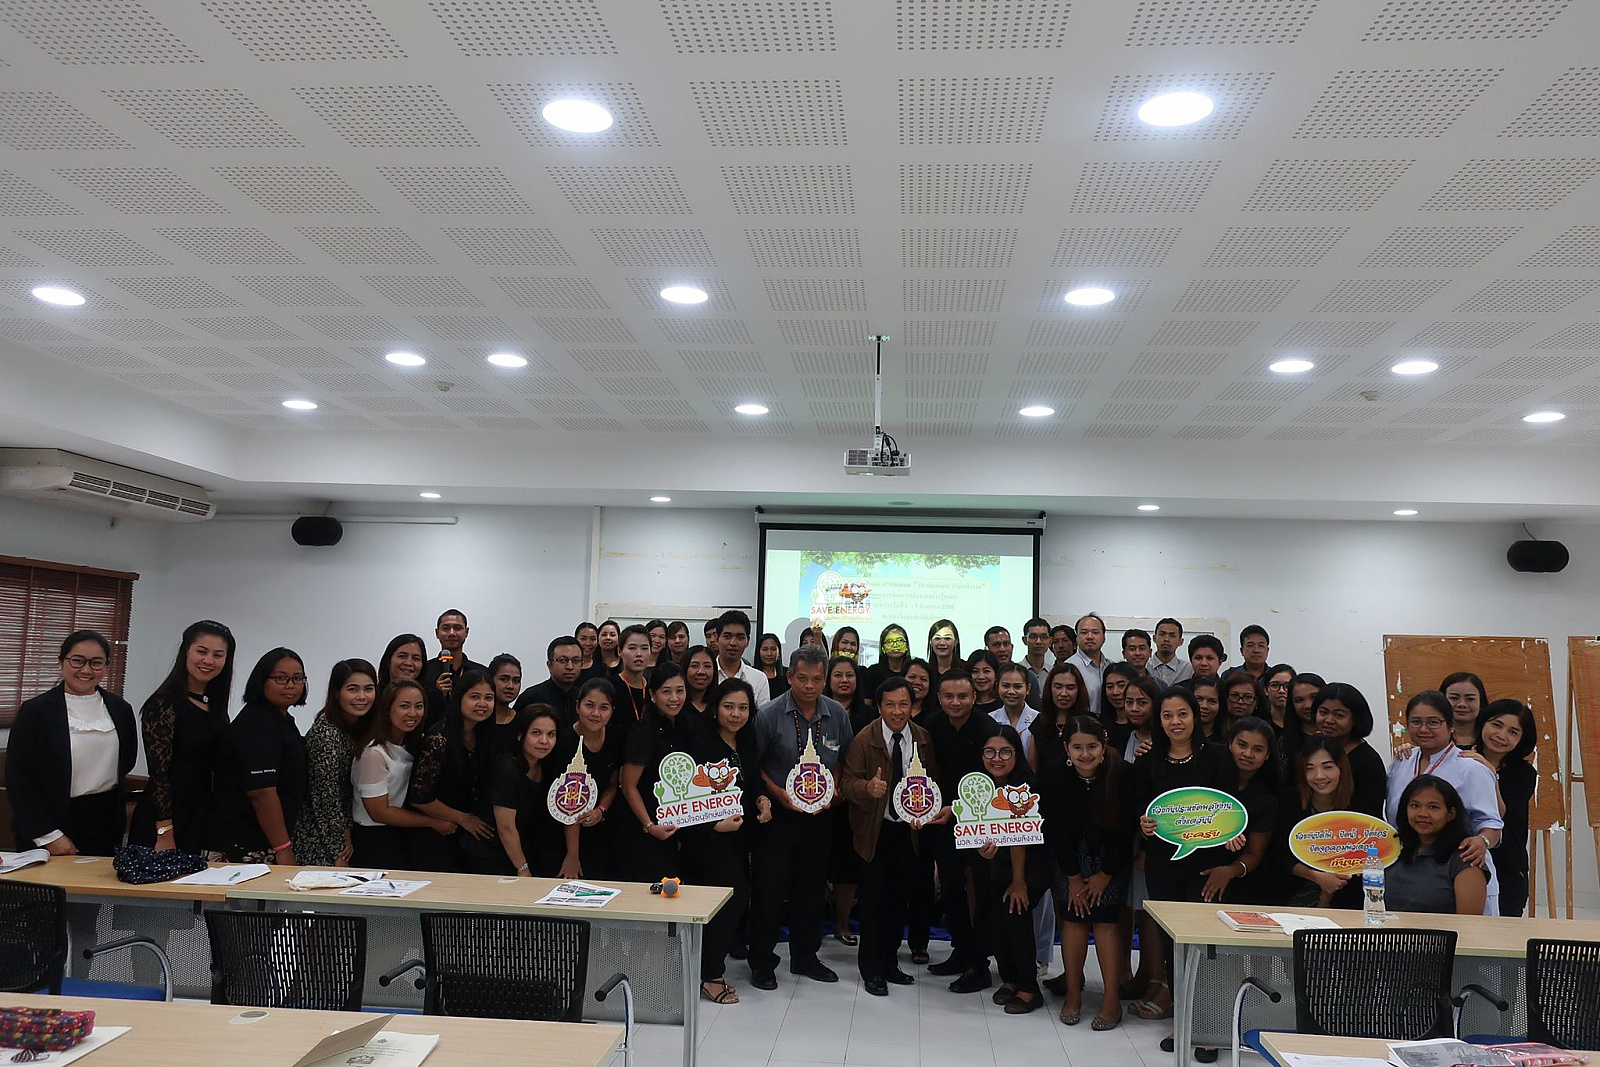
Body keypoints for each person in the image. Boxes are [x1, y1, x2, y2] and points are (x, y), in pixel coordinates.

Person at [748, 646, 854, 989]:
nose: (810, 686)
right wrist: (779, 795)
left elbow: (843, 760)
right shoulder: (768, 714)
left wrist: (831, 791)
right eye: (803, 678)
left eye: (817, 679)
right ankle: (762, 961)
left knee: (811, 889)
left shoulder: (836, 714)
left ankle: (806, 957)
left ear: (825, 679)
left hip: (820, 817)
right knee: (769, 890)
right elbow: (754, 765)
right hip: (778, 816)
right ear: (789, 676)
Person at [1131, 688, 1230, 1025]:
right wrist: (1143, 823)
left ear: (1195, 716)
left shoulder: (1218, 756)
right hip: (1163, 864)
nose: (1176, 721)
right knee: (1172, 941)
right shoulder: (1148, 759)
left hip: (1207, 865)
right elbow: (1140, 805)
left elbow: (1231, 806)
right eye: (1167, 715)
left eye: (1182, 713)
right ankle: (1184, 1021)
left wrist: (1234, 832)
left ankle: (1209, 1021)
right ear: (1159, 721)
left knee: (1205, 942)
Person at [839, 677, 942, 997]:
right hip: (875, 832)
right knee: (873, 904)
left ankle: (890, 963)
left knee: (898, 903)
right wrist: (867, 788)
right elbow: (846, 785)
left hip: (910, 833)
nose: (897, 711)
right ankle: (872, 970)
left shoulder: (923, 738)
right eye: (890, 705)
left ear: (912, 706)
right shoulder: (864, 739)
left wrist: (925, 813)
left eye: (903, 704)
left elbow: (933, 784)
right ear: (880, 707)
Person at [6, 630, 137, 857]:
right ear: (61, 662)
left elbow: (127, 760)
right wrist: (49, 835)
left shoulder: (120, 709)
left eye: (96, 663)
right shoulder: (35, 711)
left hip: (105, 820)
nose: (86, 670)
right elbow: (19, 779)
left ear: (106, 666)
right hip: (50, 822)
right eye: (77, 660)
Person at [682, 678, 772, 1005]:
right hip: (707, 841)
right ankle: (710, 975)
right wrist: (713, 825)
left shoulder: (746, 741)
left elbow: (753, 781)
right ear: (716, 708)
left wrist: (762, 799)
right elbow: (685, 801)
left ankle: (707, 968)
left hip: (740, 838)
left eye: (743, 708)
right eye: (729, 707)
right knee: (731, 900)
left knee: (734, 901)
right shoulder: (700, 744)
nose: (736, 714)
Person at [1042, 715, 1134, 1030]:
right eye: (1077, 748)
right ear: (1066, 748)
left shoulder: (1123, 773)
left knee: (1106, 923)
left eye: (1092, 747)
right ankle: (1073, 995)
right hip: (1069, 858)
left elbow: (1126, 831)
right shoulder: (1053, 773)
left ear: (1103, 745)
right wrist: (1073, 877)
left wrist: (1105, 874)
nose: (1085, 754)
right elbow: (1055, 829)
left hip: (1111, 859)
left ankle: (1111, 1000)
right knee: (1073, 920)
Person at [1385, 690, 1503, 915]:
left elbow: (1493, 825)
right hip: (1408, 869)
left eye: (1433, 722)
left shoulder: (1472, 768)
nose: (1424, 729)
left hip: (1459, 869)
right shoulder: (1401, 762)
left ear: (1451, 726)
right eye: (1416, 722)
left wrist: (1482, 841)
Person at [924, 670, 999, 993]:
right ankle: (960, 950)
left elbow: (994, 779)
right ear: (939, 698)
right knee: (951, 887)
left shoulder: (988, 729)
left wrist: (957, 808)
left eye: (963, 696)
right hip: (941, 821)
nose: (956, 702)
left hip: (979, 821)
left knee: (980, 891)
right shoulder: (931, 725)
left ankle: (978, 963)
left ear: (975, 697)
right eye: (949, 696)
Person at [130, 620, 234, 852]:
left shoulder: (215, 706)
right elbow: (159, 775)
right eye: (201, 651)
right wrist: (165, 831)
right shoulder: (163, 705)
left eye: (218, 655)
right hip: (167, 821)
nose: (209, 661)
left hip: (202, 815)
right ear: (185, 651)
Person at [211, 648, 309, 864]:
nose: (291, 685)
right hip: (249, 845)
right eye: (281, 678)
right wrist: (283, 849)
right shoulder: (257, 723)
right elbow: (262, 793)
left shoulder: (281, 719)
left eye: (297, 678)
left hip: (269, 840)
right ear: (261, 680)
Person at [977, 726, 1049, 1016]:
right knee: (995, 919)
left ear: (1017, 754)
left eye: (1005, 752)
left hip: (1032, 865)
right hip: (1000, 863)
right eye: (990, 752)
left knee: (1015, 913)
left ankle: (1030, 988)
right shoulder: (979, 787)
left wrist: (1019, 881)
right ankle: (1009, 978)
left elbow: (1021, 839)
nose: (997, 758)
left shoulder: (1029, 788)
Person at [409, 669, 505, 873]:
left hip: (464, 834)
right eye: (475, 697)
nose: (482, 703)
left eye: (488, 698)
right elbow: (419, 797)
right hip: (436, 834)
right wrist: (463, 818)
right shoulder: (438, 738)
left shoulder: (483, 734)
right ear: (458, 697)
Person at [351, 679, 452, 868]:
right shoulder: (373, 754)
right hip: (375, 840)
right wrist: (432, 821)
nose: (413, 713)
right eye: (404, 706)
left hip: (404, 835)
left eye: (419, 706)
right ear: (387, 710)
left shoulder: (415, 743)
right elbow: (379, 813)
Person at [617, 663, 700, 881]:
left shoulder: (684, 726)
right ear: (653, 695)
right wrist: (649, 825)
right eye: (666, 692)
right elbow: (628, 786)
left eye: (680, 691)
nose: (674, 698)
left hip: (674, 825)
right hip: (643, 828)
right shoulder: (643, 731)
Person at [295, 658, 377, 867]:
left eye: (368, 689)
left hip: (342, 830)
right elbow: (326, 797)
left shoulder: (356, 727)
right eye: (352, 689)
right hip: (319, 838)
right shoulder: (326, 734)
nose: (362, 697)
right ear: (336, 693)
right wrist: (339, 848)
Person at [1272, 737, 1362, 909]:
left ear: (1341, 767)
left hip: (1345, 899)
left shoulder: (1358, 808)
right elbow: (1281, 854)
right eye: (1309, 768)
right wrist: (1318, 877)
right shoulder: (1289, 801)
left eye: (1328, 767)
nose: (1319, 776)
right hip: (1293, 894)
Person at [1384, 775, 1489, 915]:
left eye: (1433, 807)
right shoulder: (1392, 850)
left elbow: (1470, 923)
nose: (1422, 814)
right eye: (1415, 806)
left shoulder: (1465, 857)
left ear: (1451, 814)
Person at [555, 679, 625, 878]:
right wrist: (572, 855)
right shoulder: (564, 743)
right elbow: (567, 806)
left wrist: (600, 811)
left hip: (599, 829)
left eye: (604, 707)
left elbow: (612, 784)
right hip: (564, 831)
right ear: (578, 706)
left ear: (612, 711)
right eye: (589, 705)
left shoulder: (615, 737)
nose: (596, 713)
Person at [1475, 699, 1537, 918]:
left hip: (1507, 868)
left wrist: (1489, 772)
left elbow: (1501, 814)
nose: (1501, 735)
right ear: (1483, 722)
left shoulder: (1524, 773)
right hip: (1465, 862)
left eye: (1513, 732)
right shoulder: (1461, 757)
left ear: (1522, 739)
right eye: (1497, 724)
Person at [490, 705, 565, 878]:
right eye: (536, 733)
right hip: (495, 854)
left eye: (551, 734)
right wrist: (522, 868)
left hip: (528, 851)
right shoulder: (506, 768)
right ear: (520, 735)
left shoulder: (547, 765)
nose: (544, 741)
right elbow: (506, 829)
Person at [825, 653, 867, 945]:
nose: (843, 680)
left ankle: (842, 924)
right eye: (837, 675)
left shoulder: (868, 715)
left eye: (849, 675)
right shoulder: (818, 710)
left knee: (846, 868)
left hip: (853, 802)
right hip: (816, 799)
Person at [1312, 683, 1387, 817]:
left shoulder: (1369, 762)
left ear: (1355, 719)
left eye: (1339, 715)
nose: (1329, 720)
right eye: (1323, 712)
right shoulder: (1313, 749)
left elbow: (1370, 815)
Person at [421, 609, 483, 726]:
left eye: (457, 628)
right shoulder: (424, 670)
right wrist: (437, 694)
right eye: (446, 628)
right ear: (437, 633)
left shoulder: (480, 673)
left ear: (466, 632)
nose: (451, 633)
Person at [1029, 660, 1090, 771]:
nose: (1063, 694)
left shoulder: (1090, 722)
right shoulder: (1040, 722)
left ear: (1079, 690)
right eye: (1058, 687)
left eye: (1070, 688)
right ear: (1050, 689)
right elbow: (1033, 769)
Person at [513, 636, 583, 724]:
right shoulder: (531, 698)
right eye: (562, 660)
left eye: (575, 661)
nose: (570, 666)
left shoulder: (583, 698)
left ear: (582, 664)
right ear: (550, 665)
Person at [713, 610, 770, 706]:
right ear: (717, 638)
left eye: (740, 638)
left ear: (748, 641)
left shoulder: (759, 678)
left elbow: (762, 714)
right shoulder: (705, 675)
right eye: (727, 637)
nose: (733, 643)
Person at [991, 663, 1038, 761]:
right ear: (997, 687)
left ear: (1028, 689)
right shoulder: (990, 719)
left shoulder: (1038, 719)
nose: (1011, 691)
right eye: (1006, 686)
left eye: (1017, 687)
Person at [610, 625, 654, 728]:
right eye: (632, 648)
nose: (639, 654)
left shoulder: (654, 688)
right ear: (619, 651)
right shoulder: (609, 687)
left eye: (644, 648)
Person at [482, 653, 524, 759]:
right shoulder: (477, 717)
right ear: (490, 680)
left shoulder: (522, 722)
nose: (510, 686)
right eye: (504, 679)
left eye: (516, 681)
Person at [1069, 614, 1111, 717]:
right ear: (1077, 638)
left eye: (1095, 632)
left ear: (1104, 638)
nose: (1089, 637)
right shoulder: (1069, 668)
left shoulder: (1111, 666)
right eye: (1084, 633)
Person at [860, 624, 911, 701]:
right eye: (889, 642)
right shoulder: (873, 672)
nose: (895, 645)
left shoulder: (913, 672)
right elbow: (867, 703)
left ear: (907, 646)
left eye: (900, 641)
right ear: (883, 648)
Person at [1099, 662, 1141, 751]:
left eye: (1121, 686)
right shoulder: (1100, 726)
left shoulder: (1144, 727)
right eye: (1109, 687)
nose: (1115, 692)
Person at [1442, 671, 1489, 750]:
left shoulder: (1492, 740)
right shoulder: (1431, 737)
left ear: (1481, 702)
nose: (1462, 704)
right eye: (1454, 698)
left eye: (1470, 699)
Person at [1149, 619, 1192, 687]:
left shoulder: (1188, 669)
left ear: (1180, 641)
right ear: (1154, 638)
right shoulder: (1145, 666)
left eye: (1172, 636)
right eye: (1162, 634)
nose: (1166, 639)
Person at [1019, 617, 1053, 698]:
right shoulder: (1016, 671)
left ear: (1050, 641)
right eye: (1033, 636)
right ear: (1025, 640)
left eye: (1043, 637)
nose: (1038, 641)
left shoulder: (1053, 672)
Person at [927, 619, 962, 690]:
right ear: (930, 642)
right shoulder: (925, 671)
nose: (942, 643)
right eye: (937, 638)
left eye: (947, 638)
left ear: (956, 641)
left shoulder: (966, 669)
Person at [683, 645, 716, 719]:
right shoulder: (676, 705)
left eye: (707, 666)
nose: (701, 672)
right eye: (694, 666)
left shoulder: (718, 706)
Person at [756, 633, 790, 700]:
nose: (769, 653)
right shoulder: (752, 674)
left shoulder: (788, 674)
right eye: (765, 649)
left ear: (779, 652)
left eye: (773, 649)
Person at [1191, 675, 1225, 743]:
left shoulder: (1226, 743)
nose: (1204, 706)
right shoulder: (1176, 738)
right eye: (1199, 699)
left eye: (1212, 701)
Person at [967, 648, 1002, 714]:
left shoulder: (1004, 704)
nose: (981, 676)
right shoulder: (966, 705)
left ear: (996, 674)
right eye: (975, 671)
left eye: (986, 671)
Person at [905, 658, 934, 726]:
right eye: (912, 677)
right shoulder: (888, 711)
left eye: (923, 679)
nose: (917, 682)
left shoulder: (936, 717)